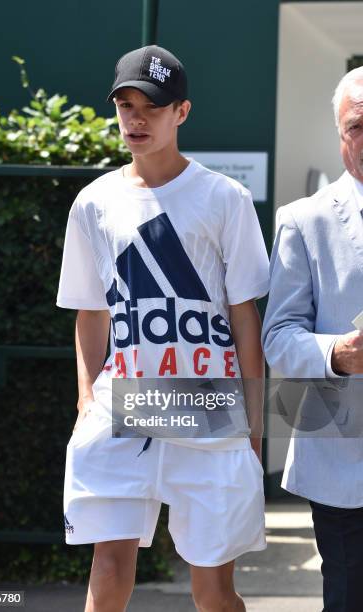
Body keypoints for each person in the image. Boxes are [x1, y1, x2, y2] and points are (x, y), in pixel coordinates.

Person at [57, 44, 269, 612]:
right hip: (122, 403)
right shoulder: (93, 202)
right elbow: (90, 310)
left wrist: (254, 420)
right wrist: (85, 398)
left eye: (150, 106)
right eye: (125, 105)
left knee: (213, 586)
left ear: (182, 112)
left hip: (206, 404)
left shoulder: (225, 198)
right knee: (108, 562)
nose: (135, 119)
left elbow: (245, 317)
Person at [262, 66, 363, 612]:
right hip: (344, 465)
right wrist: (339, 355)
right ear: (339, 134)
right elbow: (277, 336)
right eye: (358, 126)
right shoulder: (304, 221)